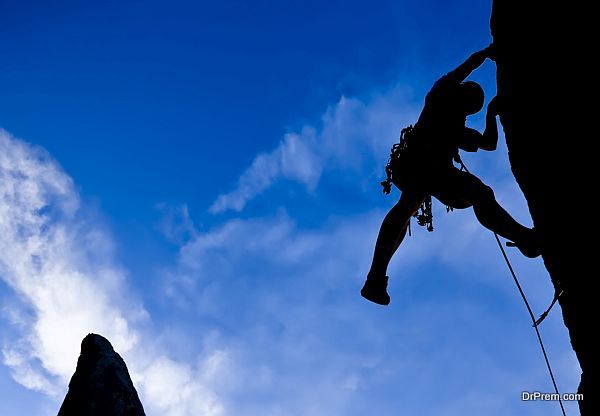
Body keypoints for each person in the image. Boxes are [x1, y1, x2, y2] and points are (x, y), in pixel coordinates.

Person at [361, 45, 540, 306]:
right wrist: (487, 53)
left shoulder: (457, 125)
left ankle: (525, 238)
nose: (468, 109)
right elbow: (463, 70)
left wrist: (491, 113)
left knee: (478, 193)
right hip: (419, 164)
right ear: (462, 93)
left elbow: (489, 144)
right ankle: (375, 277)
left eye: (472, 108)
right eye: (471, 102)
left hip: (433, 173)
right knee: (410, 204)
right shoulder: (440, 96)